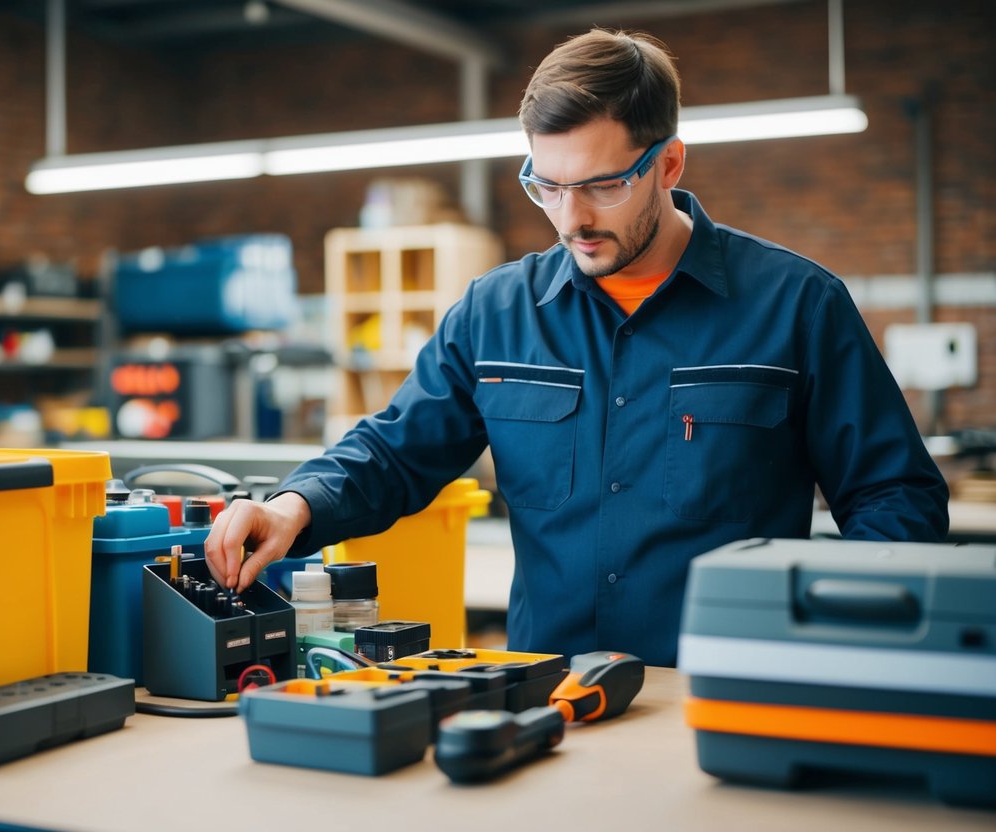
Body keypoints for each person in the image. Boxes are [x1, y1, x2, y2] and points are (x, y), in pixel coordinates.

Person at [204, 28, 949, 667]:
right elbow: (395, 451)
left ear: (667, 165)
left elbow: (893, 496)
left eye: (602, 185)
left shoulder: (795, 305)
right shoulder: (496, 313)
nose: (572, 218)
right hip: (548, 699)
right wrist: (294, 505)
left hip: (721, 689)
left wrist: (828, 634)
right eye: (547, 186)